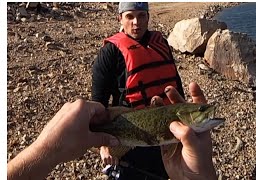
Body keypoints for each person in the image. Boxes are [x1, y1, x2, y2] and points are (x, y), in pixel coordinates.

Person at [7, 83, 217, 180]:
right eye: (199, 111)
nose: (136, 22)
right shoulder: (110, 53)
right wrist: (48, 149)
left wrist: (45, 150)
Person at [91, 2, 185, 179]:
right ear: (120, 18)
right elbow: (98, 104)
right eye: (130, 16)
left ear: (148, 17)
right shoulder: (109, 52)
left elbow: (177, 88)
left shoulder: (161, 44)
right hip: (129, 136)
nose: (136, 22)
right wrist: (103, 145)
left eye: (142, 16)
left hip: (164, 134)